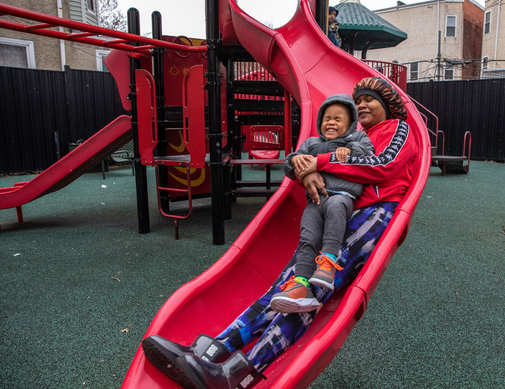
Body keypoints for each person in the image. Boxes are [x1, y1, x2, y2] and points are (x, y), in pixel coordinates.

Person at [140, 77, 418, 389]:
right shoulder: (355, 136)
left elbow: (383, 164)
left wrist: (319, 162)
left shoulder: (398, 129)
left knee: (309, 296)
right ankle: (211, 350)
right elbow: (303, 159)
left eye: (371, 100)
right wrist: (307, 169)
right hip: (337, 214)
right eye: (360, 101)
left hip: (371, 216)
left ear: (389, 106)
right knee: (288, 288)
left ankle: (236, 376)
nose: (363, 105)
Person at [269, 94, 375, 314]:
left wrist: (350, 150)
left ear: (351, 124)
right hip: (316, 200)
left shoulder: (356, 139)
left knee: (335, 212)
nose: (331, 122)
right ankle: (300, 284)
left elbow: (369, 155)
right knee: (308, 237)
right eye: (327, 118)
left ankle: (327, 265)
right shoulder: (311, 143)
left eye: (338, 119)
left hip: (342, 196)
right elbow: (291, 165)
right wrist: (294, 160)